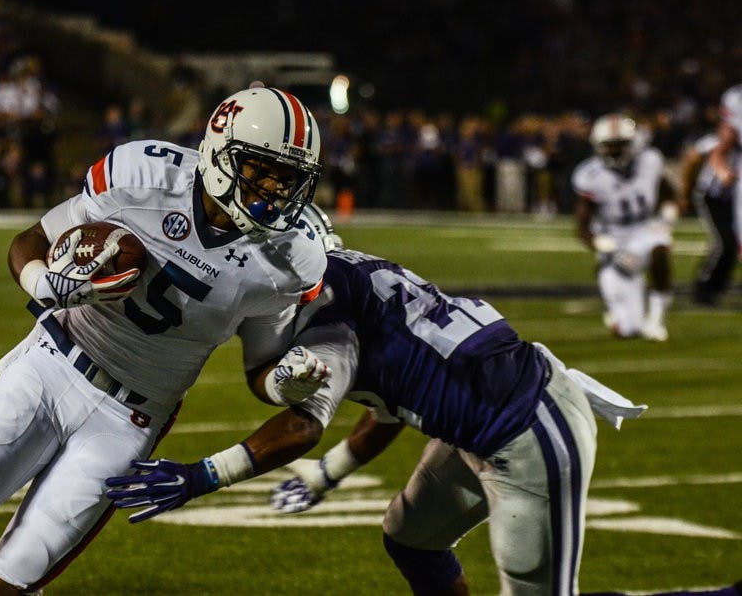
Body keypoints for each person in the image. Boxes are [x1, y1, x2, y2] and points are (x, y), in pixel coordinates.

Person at [0, 86, 331, 595]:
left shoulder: (291, 259)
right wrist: (46, 285)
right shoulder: (142, 176)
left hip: (129, 418)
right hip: (50, 366)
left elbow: (261, 367)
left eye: (287, 178)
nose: (272, 190)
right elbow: (32, 242)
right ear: (220, 151)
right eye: (259, 169)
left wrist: (285, 384)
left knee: (9, 584)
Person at [105, 202, 648, 595]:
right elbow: (390, 403)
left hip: (527, 425)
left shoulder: (325, 312)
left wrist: (202, 476)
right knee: (411, 539)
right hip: (482, 420)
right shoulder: (356, 274)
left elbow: (302, 426)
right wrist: (328, 475)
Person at [572, 113, 678, 341]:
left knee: (660, 250)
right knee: (628, 330)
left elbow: (668, 194)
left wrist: (668, 214)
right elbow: (581, 225)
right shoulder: (590, 174)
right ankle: (621, 315)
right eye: (609, 146)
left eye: (619, 145)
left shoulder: (650, 160)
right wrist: (598, 242)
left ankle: (656, 320)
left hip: (644, 228)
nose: (614, 151)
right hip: (615, 236)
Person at [688, 84, 742, 306]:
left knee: (730, 245)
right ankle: (704, 289)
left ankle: (713, 288)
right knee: (726, 245)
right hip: (715, 194)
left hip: (733, 194)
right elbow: (696, 158)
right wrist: (684, 193)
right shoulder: (721, 137)